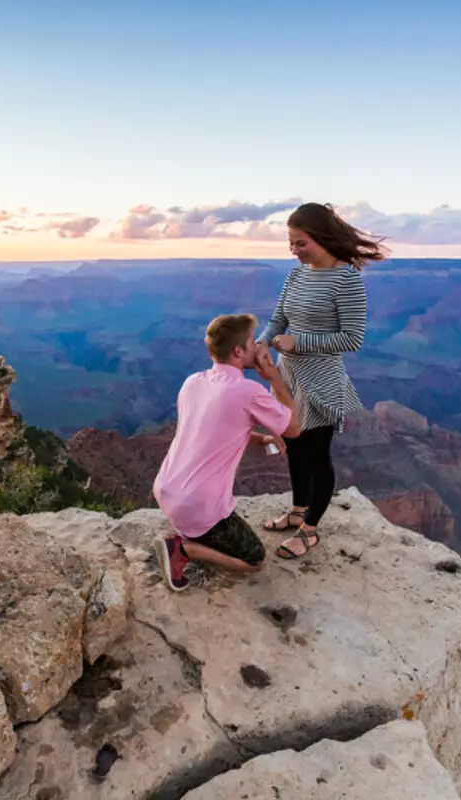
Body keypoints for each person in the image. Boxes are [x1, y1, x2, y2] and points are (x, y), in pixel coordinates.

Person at [257, 202, 386, 560]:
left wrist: (301, 342)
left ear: (322, 238)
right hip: (287, 377)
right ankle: (297, 511)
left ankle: (310, 530)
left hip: (320, 381)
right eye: (291, 243)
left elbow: (352, 339)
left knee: (316, 456)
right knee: (293, 449)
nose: (294, 251)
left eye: (301, 243)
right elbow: (278, 317)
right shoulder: (296, 276)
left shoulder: (347, 279)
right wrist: (262, 342)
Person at [152, 313, 301, 592]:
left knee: (203, 520)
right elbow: (293, 428)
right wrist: (273, 377)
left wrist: (257, 439)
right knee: (255, 558)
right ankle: (183, 550)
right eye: (251, 343)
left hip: (166, 490)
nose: (257, 348)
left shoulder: (192, 382)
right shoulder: (247, 390)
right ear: (238, 351)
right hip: (198, 505)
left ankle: (186, 532)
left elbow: (208, 433)